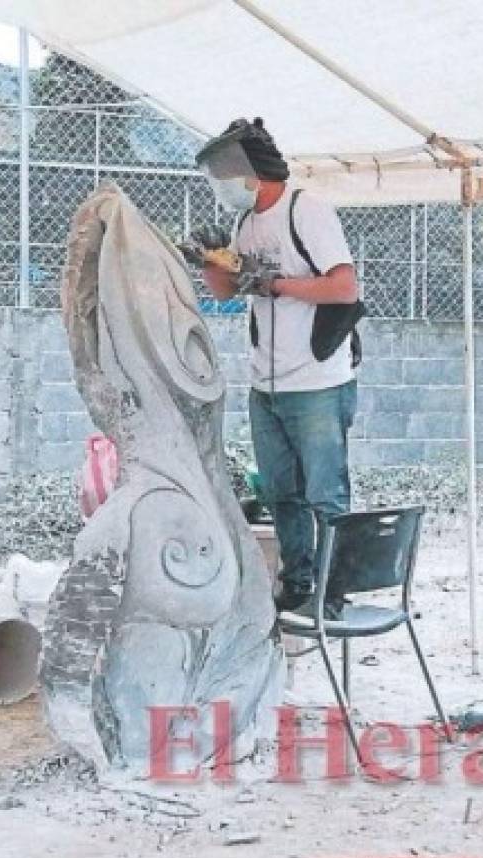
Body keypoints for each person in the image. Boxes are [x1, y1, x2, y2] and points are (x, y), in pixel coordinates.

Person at [186, 118, 362, 626]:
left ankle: (334, 592)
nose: (219, 189)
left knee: (325, 492)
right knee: (280, 492)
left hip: (317, 380)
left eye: (222, 177)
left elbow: (344, 288)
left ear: (249, 173)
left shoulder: (306, 212)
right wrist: (208, 260)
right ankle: (298, 582)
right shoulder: (245, 225)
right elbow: (225, 292)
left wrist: (276, 284)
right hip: (266, 381)